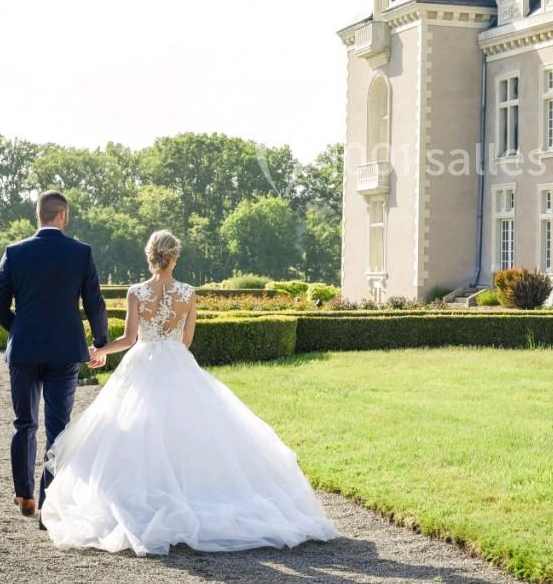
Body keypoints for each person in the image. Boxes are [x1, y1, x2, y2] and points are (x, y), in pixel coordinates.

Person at [39, 230, 338, 555]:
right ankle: (190, 491)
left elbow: (129, 339)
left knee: (135, 430)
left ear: (150, 256)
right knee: (190, 430)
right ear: (174, 256)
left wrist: (101, 352)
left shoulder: (136, 292)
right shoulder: (188, 293)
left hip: (142, 363)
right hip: (177, 363)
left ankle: (147, 496)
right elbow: (186, 341)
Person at [0, 190, 109, 525]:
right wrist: (99, 343)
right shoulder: (80, 253)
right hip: (64, 352)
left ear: (38, 215)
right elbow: (94, 303)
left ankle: (24, 494)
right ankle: (48, 506)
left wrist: (19, 330)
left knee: (24, 423)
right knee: (59, 428)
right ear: (63, 216)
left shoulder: (14, 252)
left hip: (24, 351)